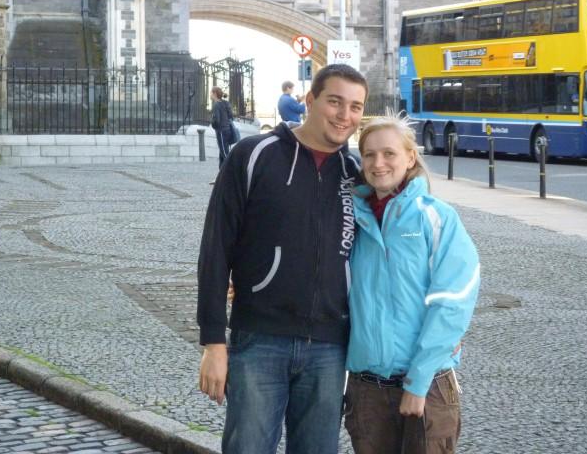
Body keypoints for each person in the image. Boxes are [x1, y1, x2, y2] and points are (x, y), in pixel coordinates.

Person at [197, 64, 368, 454]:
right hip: (260, 339)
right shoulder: (252, 155)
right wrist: (213, 342)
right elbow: (215, 248)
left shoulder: (358, 175)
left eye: (356, 107)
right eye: (335, 102)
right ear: (310, 101)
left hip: (330, 347)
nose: (345, 116)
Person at [343, 113, 480, 454]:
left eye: (389, 153)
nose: (378, 163)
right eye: (369, 154)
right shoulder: (349, 220)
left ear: (410, 157)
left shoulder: (437, 217)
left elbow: (452, 301)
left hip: (427, 386)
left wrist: (417, 382)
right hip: (367, 390)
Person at [210, 86, 235, 168]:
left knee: (225, 154)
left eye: (211, 93)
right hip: (228, 130)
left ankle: (232, 172)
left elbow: (216, 121)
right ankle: (221, 173)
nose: (210, 95)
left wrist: (213, 125)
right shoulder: (226, 103)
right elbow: (231, 116)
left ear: (215, 94)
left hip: (221, 131)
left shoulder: (216, 105)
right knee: (222, 152)